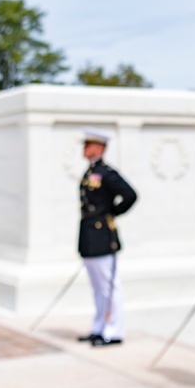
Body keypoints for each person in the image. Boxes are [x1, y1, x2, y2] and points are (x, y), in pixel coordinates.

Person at [77, 129, 137, 347]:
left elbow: (130, 195)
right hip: (89, 236)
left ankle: (114, 331)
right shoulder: (91, 171)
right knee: (97, 287)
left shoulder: (106, 172)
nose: (85, 148)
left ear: (100, 147)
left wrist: (111, 212)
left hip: (102, 235)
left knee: (109, 286)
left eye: (88, 144)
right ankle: (99, 327)